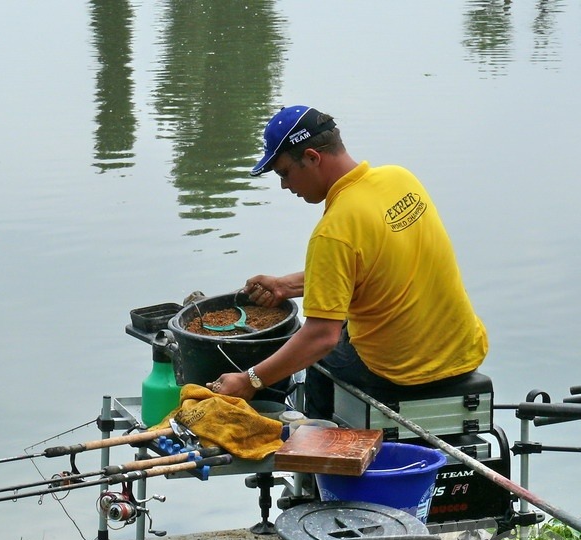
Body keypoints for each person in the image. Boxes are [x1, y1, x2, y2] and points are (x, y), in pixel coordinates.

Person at [208, 105, 488, 418]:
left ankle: (316, 450)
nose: (285, 185)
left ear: (313, 158)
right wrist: (284, 286)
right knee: (336, 322)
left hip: (400, 373)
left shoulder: (334, 231)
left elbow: (321, 338)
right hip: (464, 351)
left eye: (285, 172)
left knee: (316, 352)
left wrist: (250, 380)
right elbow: (374, 265)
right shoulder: (400, 179)